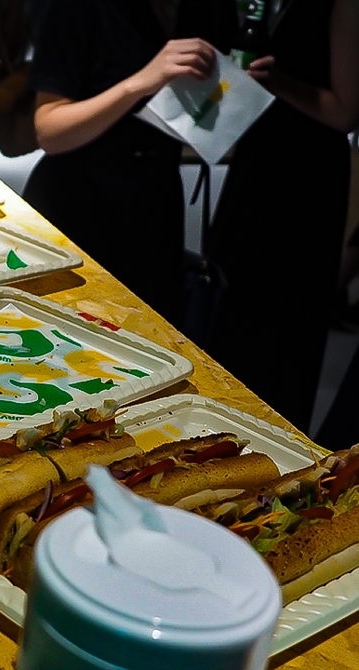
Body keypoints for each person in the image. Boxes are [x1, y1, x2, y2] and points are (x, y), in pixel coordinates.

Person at [205, 0, 359, 432]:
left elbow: (345, 112)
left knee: (284, 325)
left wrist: (276, 82)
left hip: (307, 177)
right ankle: (214, 428)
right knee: (233, 303)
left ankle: (270, 441)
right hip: (260, 161)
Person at [20, 0, 219, 327]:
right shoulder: (79, 9)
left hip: (157, 204)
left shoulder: (203, 9)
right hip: (82, 202)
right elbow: (49, 130)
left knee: (152, 338)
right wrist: (139, 83)